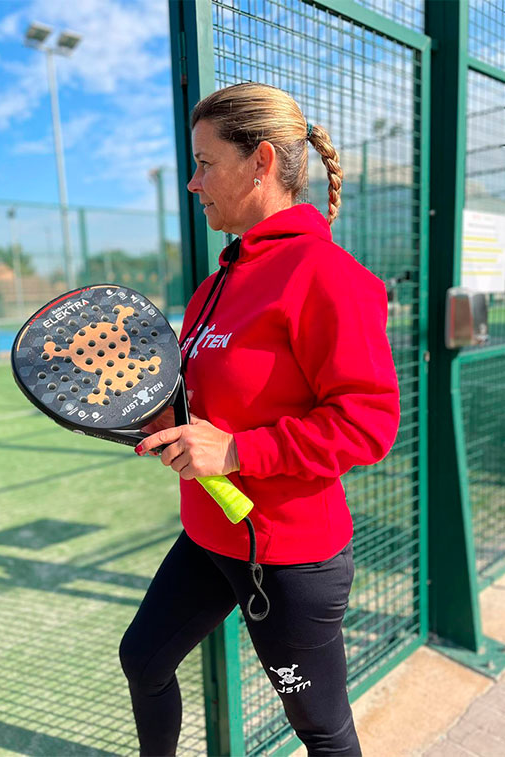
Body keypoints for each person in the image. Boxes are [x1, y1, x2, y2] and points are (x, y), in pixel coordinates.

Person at [119, 82, 400, 756]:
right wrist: (159, 415)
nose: (193, 182)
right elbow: (206, 401)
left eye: (205, 163)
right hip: (210, 535)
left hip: (288, 559)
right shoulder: (216, 284)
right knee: (143, 658)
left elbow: (369, 423)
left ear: (262, 161)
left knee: (320, 727)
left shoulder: (327, 276)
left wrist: (239, 451)